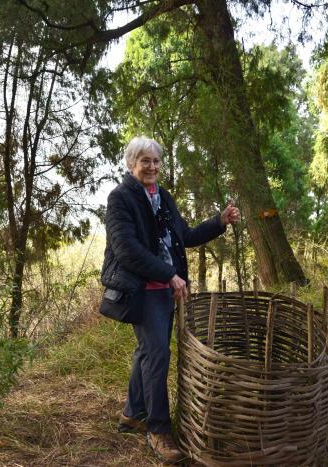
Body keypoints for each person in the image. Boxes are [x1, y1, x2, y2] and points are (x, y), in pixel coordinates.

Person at [100, 136, 240, 464]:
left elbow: (185, 236)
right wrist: (168, 274)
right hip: (142, 291)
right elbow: (126, 249)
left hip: (164, 290)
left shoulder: (162, 197)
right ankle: (158, 430)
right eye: (144, 161)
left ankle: (134, 413)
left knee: (148, 352)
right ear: (131, 164)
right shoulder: (120, 198)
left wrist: (219, 222)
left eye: (155, 161)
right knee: (157, 355)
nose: (151, 167)